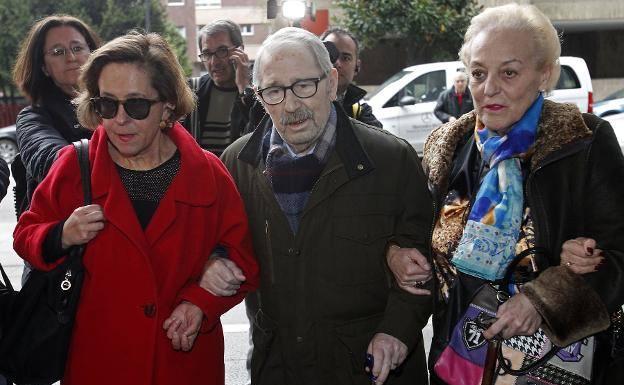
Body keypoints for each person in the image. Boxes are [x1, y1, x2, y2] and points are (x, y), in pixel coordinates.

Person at [387, 4, 624, 385]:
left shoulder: (585, 143)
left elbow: (618, 256)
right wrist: (396, 254)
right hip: (457, 363)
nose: (489, 87)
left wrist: (544, 300)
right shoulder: (447, 148)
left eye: (509, 72)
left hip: (549, 368)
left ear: (544, 74)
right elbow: (415, 239)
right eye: (479, 73)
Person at [13, 32, 258, 385]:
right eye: (107, 105)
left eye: (137, 105)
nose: (120, 119)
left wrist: (200, 302)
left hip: (183, 366)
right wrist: (61, 234)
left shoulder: (208, 174)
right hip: (97, 363)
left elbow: (243, 260)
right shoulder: (73, 165)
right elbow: (26, 235)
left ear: (168, 106)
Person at [218, 27, 433, 385]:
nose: (290, 105)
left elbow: (426, 256)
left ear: (332, 83)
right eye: (273, 91)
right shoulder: (237, 164)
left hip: (369, 370)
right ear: (259, 96)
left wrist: (396, 331)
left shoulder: (391, 159)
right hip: (278, 368)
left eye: (304, 85)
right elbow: (220, 244)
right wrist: (215, 259)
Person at [12, 14, 100, 217]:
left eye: (77, 48)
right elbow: (55, 165)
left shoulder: (120, 102)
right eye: (57, 52)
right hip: (71, 232)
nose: (71, 57)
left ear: (93, 53)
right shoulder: (34, 117)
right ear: (43, 67)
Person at [182, 19, 258, 156]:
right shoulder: (191, 90)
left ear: (240, 51)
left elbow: (260, 135)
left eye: (222, 51)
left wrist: (244, 87)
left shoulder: (260, 91)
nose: (214, 62)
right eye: (207, 54)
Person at [320, 27, 382, 128]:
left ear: (357, 67)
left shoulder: (361, 115)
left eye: (345, 58)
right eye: (330, 55)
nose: (337, 63)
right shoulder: (298, 102)